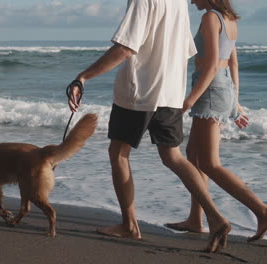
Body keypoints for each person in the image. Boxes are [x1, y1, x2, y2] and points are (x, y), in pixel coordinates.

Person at [66, 0, 231, 253]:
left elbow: (125, 48)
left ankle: (129, 225)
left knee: (118, 153)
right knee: (173, 156)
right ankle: (216, 217)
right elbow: (186, 49)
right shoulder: (178, 3)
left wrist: (83, 76)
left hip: (139, 91)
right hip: (171, 92)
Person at [165, 0, 267, 242]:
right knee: (194, 154)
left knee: (210, 163)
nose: (190, 1)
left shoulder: (211, 17)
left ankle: (262, 211)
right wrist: (235, 101)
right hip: (221, 88)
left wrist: (190, 100)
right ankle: (195, 219)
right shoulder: (229, 18)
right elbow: (232, 63)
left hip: (209, 90)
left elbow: (210, 65)